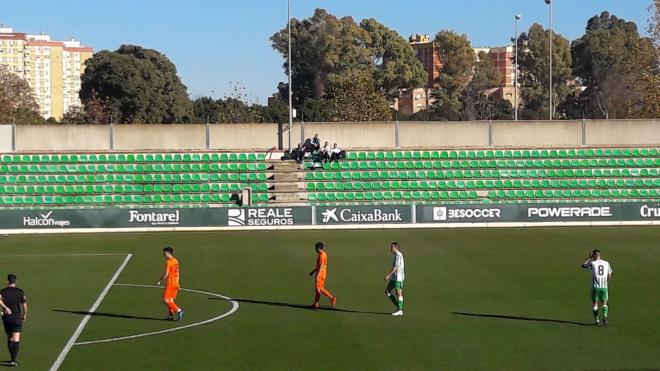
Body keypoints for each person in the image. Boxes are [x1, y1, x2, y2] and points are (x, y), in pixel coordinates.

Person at [0, 274, 27, 367]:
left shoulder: (3, 291)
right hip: (16, 317)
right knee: (16, 339)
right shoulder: (20, 291)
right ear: (15, 281)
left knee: (9, 338)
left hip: (7, 317)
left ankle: (12, 358)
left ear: (7, 281)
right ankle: (13, 360)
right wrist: (25, 314)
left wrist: (5, 308)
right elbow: (24, 304)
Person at [581, 249, 613, 326]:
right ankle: (605, 316)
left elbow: (583, 265)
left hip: (595, 287)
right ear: (600, 255)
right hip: (604, 287)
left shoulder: (593, 263)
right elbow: (610, 274)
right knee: (604, 303)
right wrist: (607, 282)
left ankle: (597, 320)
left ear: (594, 255)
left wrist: (589, 258)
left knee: (595, 303)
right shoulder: (606, 263)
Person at [157, 247, 184, 321]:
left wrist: (160, 280)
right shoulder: (176, 261)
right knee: (171, 300)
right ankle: (170, 316)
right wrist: (178, 283)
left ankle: (179, 310)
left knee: (166, 300)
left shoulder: (169, 262)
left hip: (170, 283)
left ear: (168, 253)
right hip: (175, 283)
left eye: (164, 253)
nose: (164, 255)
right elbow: (177, 273)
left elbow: (166, 274)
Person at [308, 242, 337, 308]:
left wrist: (317, 275)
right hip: (322, 273)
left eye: (315, 248)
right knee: (318, 289)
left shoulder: (321, 256)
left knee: (319, 289)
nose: (315, 249)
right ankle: (316, 304)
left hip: (320, 274)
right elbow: (320, 265)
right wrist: (313, 271)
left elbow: (321, 266)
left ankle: (332, 298)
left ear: (318, 248)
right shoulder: (323, 254)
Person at [384, 242, 405, 316]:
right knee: (387, 291)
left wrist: (388, 275)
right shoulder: (395, 255)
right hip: (394, 277)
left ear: (396, 248)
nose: (391, 248)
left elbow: (396, 267)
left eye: (392, 247)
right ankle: (399, 307)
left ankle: (400, 310)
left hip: (398, 278)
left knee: (398, 293)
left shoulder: (399, 256)